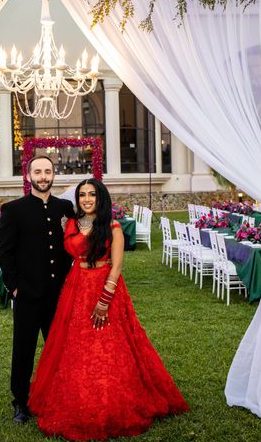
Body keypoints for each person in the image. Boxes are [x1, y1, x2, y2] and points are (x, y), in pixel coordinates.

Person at [28, 178, 189, 440]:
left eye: (92, 194)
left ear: (100, 198)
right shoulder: (71, 224)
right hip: (76, 288)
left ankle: (112, 397)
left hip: (104, 287)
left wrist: (104, 300)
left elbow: (116, 266)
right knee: (74, 345)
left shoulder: (112, 227)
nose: (87, 199)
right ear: (77, 199)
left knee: (110, 346)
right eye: (82, 195)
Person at [0, 155, 75, 424]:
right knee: (24, 350)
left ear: (54, 174)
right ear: (28, 175)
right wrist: (14, 288)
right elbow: (5, 252)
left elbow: (73, 244)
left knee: (60, 349)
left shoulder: (66, 208)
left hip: (59, 295)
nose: (43, 176)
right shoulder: (13, 209)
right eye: (38, 172)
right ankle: (20, 400)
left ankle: (60, 395)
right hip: (28, 295)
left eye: (47, 171)